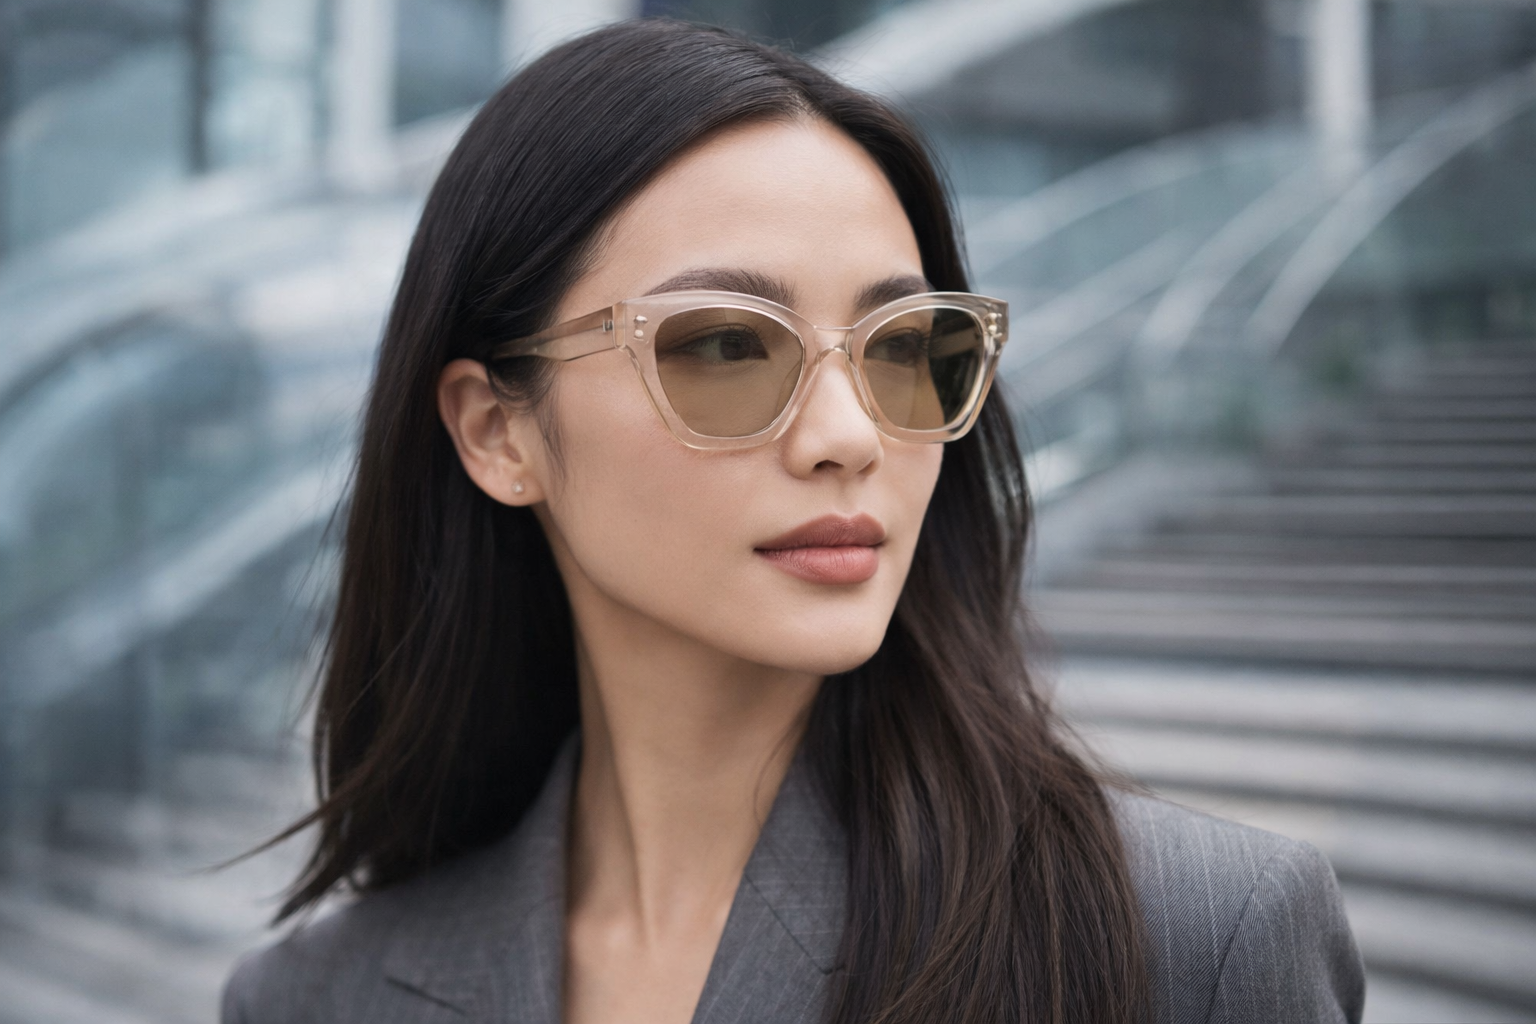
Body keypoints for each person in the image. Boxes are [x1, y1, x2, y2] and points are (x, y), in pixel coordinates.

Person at [221, 19, 1363, 1024]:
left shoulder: (1193, 943)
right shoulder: (313, 997)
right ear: (495, 432)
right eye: (725, 344)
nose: (850, 434)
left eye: (903, 348)